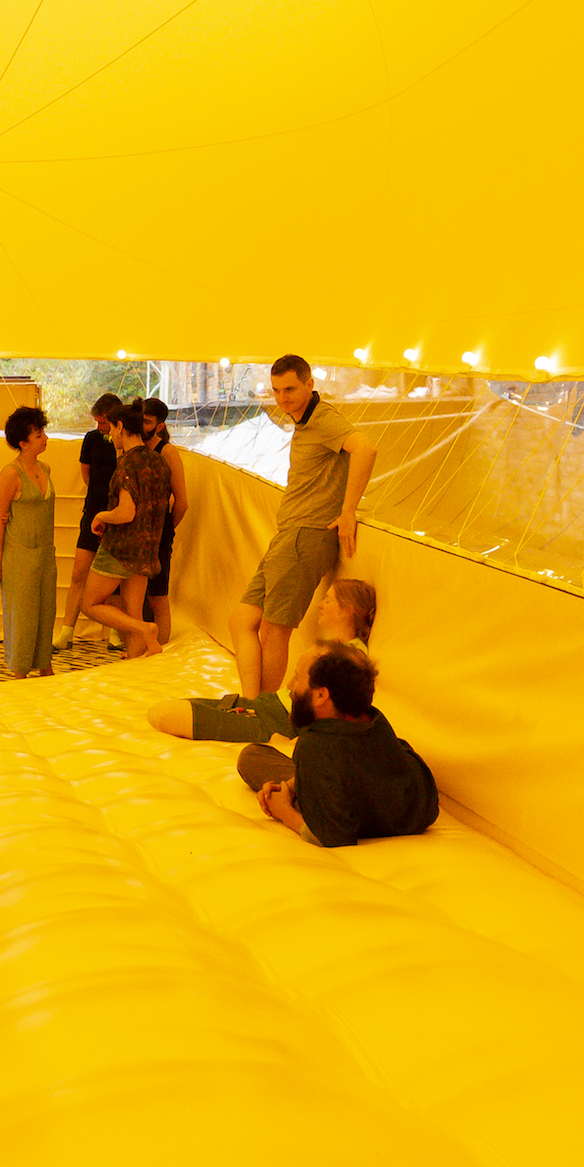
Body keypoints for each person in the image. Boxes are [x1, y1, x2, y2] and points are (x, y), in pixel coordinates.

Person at [229, 354, 378, 697]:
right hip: (289, 535)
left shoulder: (324, 419)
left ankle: (260, 708)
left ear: (309, 385)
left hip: (306, 534)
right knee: (241, 619)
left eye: (290, 389)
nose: (282, 398)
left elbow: (365, 449)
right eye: (277, 390)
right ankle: (253, 702)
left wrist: (348, 511)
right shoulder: (305, 423)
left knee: (274, 629)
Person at [238, 647, 437, 848]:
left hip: (360, 815)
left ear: (321, 695)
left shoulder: (314, 746)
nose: (290, 686)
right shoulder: (373, 717)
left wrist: (282, 810)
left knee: (252, 757)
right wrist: (289, 787)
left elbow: (333, 836)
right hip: (411, 804)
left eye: (297, 678)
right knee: (256, 756)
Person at [149, 574, 377, 742]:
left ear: (348, 610)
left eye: (328, 600)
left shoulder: (352, 659)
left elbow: (334, 716)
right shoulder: (334, 648)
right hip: (269, 706)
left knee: (164, 715)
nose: (320, 605)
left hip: (278, 719)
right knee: (165, 710)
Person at [81, 400, 171, 656]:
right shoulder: (158, 461)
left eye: (111, 428)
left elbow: (126, 512)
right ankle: (136, 661)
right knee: (133, 611)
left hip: (120, 548)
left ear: (120, 426)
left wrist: (101, 516)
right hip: (147, 549)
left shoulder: (127, 465)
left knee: (90, 604)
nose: (109, 434)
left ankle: (145, 629)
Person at [0, 405, 56, 676]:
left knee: (46, 614)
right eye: (39, 435)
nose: (45, 438)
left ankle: (45, 667)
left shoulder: (45, 468)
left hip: (45, 555)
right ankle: (19, 673)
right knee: (22, 618)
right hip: (19, 556)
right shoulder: (10, 474)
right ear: (23, 442)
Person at [56, 392, 122, 649]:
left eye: (103, 422)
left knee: (116, 578)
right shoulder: (91, 439)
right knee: (79, 574)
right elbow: (87, 474)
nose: (99, 427)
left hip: (119, 514)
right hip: (93, 511)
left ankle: (116, 631)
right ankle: (67, 631)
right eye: (97, 422)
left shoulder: (125, 443)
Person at [140, 399, 188, 649]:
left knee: (158, 595)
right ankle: (141, 646)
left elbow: (182, 501)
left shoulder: (167, 452)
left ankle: (162, 649)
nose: (141, 426)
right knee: (136, 594)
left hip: (158, 532)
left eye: (147, 422)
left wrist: (166, 529)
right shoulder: (134, 448)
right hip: (136, 531)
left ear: (159, 426)